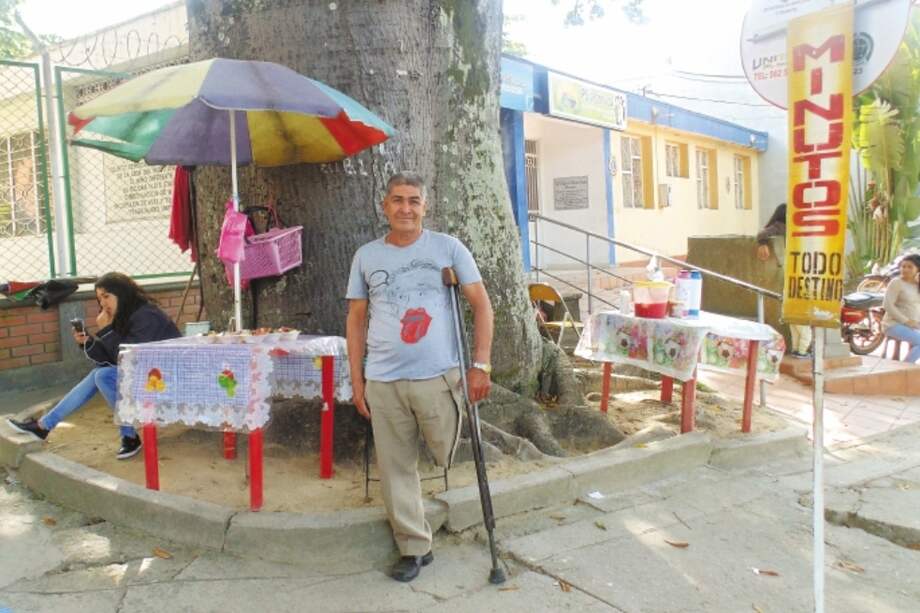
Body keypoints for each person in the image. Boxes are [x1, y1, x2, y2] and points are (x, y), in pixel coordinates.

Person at [346, 172, 494, 583]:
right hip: (384, 379)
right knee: (396, 467)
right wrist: (357, 380)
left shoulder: (448, 248)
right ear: (385, 206)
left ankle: (422, 522)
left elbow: (482, 305)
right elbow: (356, 319)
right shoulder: (366, 256)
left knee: (443, 448)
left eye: (413, 201)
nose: (405, 208)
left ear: (425, 207)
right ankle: (414, 546)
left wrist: (480, 364)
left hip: (438, 377)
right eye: (397, 200)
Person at [8, 272, 180, 459]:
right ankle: (44, 426)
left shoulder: (146, 315)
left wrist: (106, 330)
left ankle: (128, 436)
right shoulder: (125, 315)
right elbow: (110, 360)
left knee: (103, 375)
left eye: (106, 296)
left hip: (167, 381)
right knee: (101, 374)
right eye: (99, 298)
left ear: (122, 293)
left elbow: (129, 359)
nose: (103, 303)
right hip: (148, 375)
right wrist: (88, 342)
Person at [756, 203, 813, 358]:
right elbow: (762, 234)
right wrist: (763, 244)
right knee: (802, 323)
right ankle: (802, 351)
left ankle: (796, 349)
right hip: (795, 276)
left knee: (795, 321)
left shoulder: (785, 227)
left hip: (793, 278)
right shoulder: (781, 227)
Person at [882, 254, 920, 363]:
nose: (905, 269)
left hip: (914, 325)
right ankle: (905, 367)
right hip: (893, 324)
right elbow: (887, 305)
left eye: (909, 267)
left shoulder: (917, 285)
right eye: (903, 266)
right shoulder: (896, 283)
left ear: (918, 269)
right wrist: (907, 321)